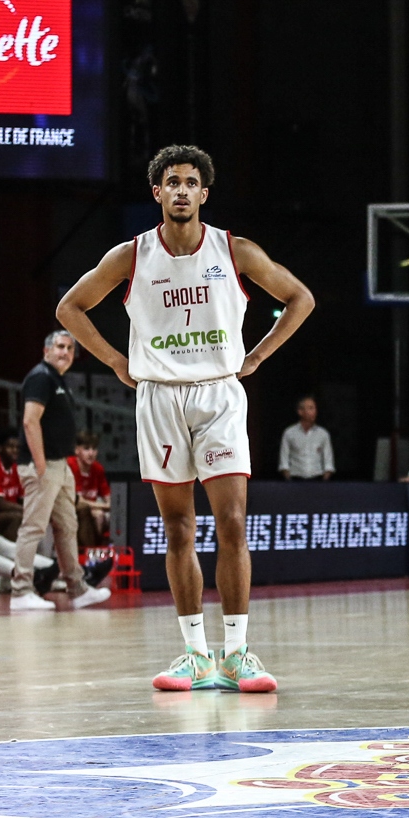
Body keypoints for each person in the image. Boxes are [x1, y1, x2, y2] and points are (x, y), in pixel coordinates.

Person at [57, 143, 314, 696]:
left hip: (219, 394)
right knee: (177, 528)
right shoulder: (131, 256)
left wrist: (259, 356)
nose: (180, 190)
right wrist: (115, 362)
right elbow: (69, 308)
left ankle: (238, 652)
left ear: (203, 193)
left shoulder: (233, 249)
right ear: (157, 192)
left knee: (233, 524)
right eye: (170, 181)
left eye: (190, 182)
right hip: (159, 397)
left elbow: (300, 298)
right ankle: (196, 655)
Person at [8, 330, 107, 612]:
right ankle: (21, 591)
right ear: (46, 351)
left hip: (60, 465)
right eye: (60, 347)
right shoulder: (41, 376)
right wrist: (40, 464)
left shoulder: (57, 379)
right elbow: (30, 421)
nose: (65, 352)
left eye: (70, 349)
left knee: (68, 526)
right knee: (34, 527)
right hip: (43, 464)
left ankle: (77, 589)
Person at [278, 395, 336, 480]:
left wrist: (324, 482)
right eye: (310, 408)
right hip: (295, 479)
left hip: (317, 479)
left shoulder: (323, 434)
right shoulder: (289, 433)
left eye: (314, 408)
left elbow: (328, 464)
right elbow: (284, 462)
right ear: (300, 411)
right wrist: (289, 481)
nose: (314, 412)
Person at [70, 431, 112, 548]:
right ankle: (89, 551)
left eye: (94, 449)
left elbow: (110, 501)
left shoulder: (98, 469)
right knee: (89, 512)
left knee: (103, 516)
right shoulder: (70, 465)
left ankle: (100, 551)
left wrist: (99, 507)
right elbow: (77, 501)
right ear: (77, 450)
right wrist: (100, 506)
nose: (91, 453)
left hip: (93, 509)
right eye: (86, 449)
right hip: (69, 507)